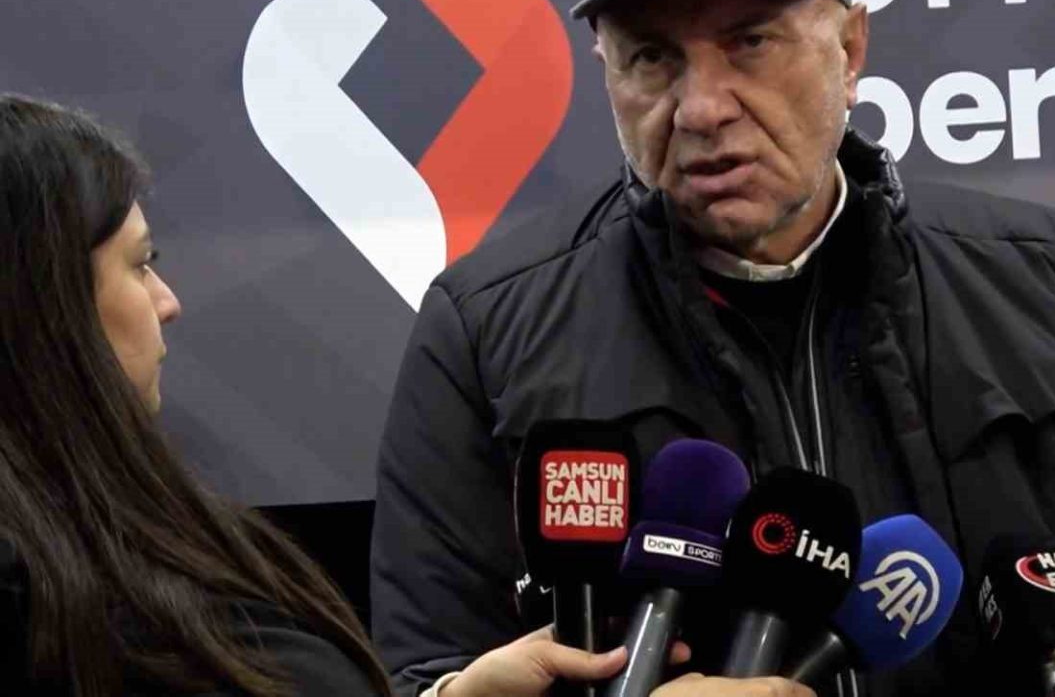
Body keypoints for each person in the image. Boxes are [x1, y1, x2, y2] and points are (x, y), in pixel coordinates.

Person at [371, 0, 1055, 697]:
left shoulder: (1043, 276)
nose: (702, 107)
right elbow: (424, 670)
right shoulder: (483, 329)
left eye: (749, 42)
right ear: (607, 73)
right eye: (652, 58)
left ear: (850, 48)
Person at [0, 95, 650, 697]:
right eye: (140, 264)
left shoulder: (103, 551)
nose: (167, 302)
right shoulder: (72, 607)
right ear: (44, 301)